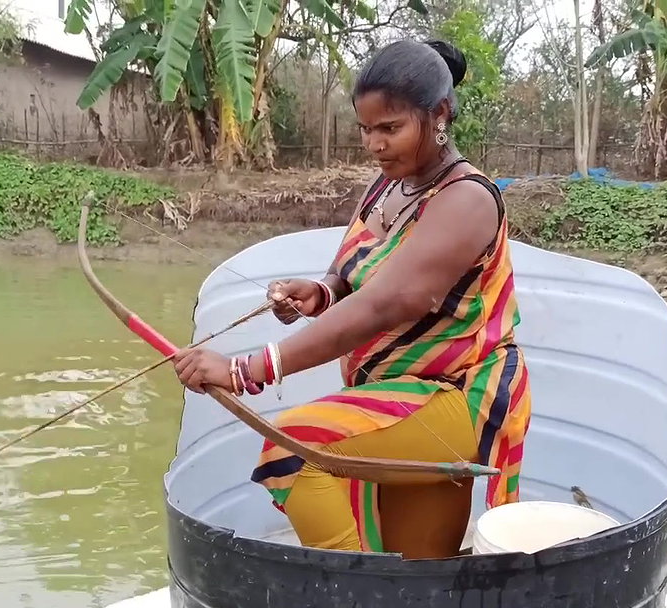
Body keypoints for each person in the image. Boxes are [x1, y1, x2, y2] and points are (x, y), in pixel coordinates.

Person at [171, 38, 531, 559]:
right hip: (394, 399)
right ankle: (378, 606)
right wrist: (319, 292)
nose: (375, 145)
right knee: (418, 569)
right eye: (366, 129)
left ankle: (353, 591)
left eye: (391, 128)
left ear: (440, 114)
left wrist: (246, 370)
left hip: (457, 399)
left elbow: (390, 302)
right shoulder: (388, 187)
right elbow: (350, 277)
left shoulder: (466, 199)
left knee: (294, 449)